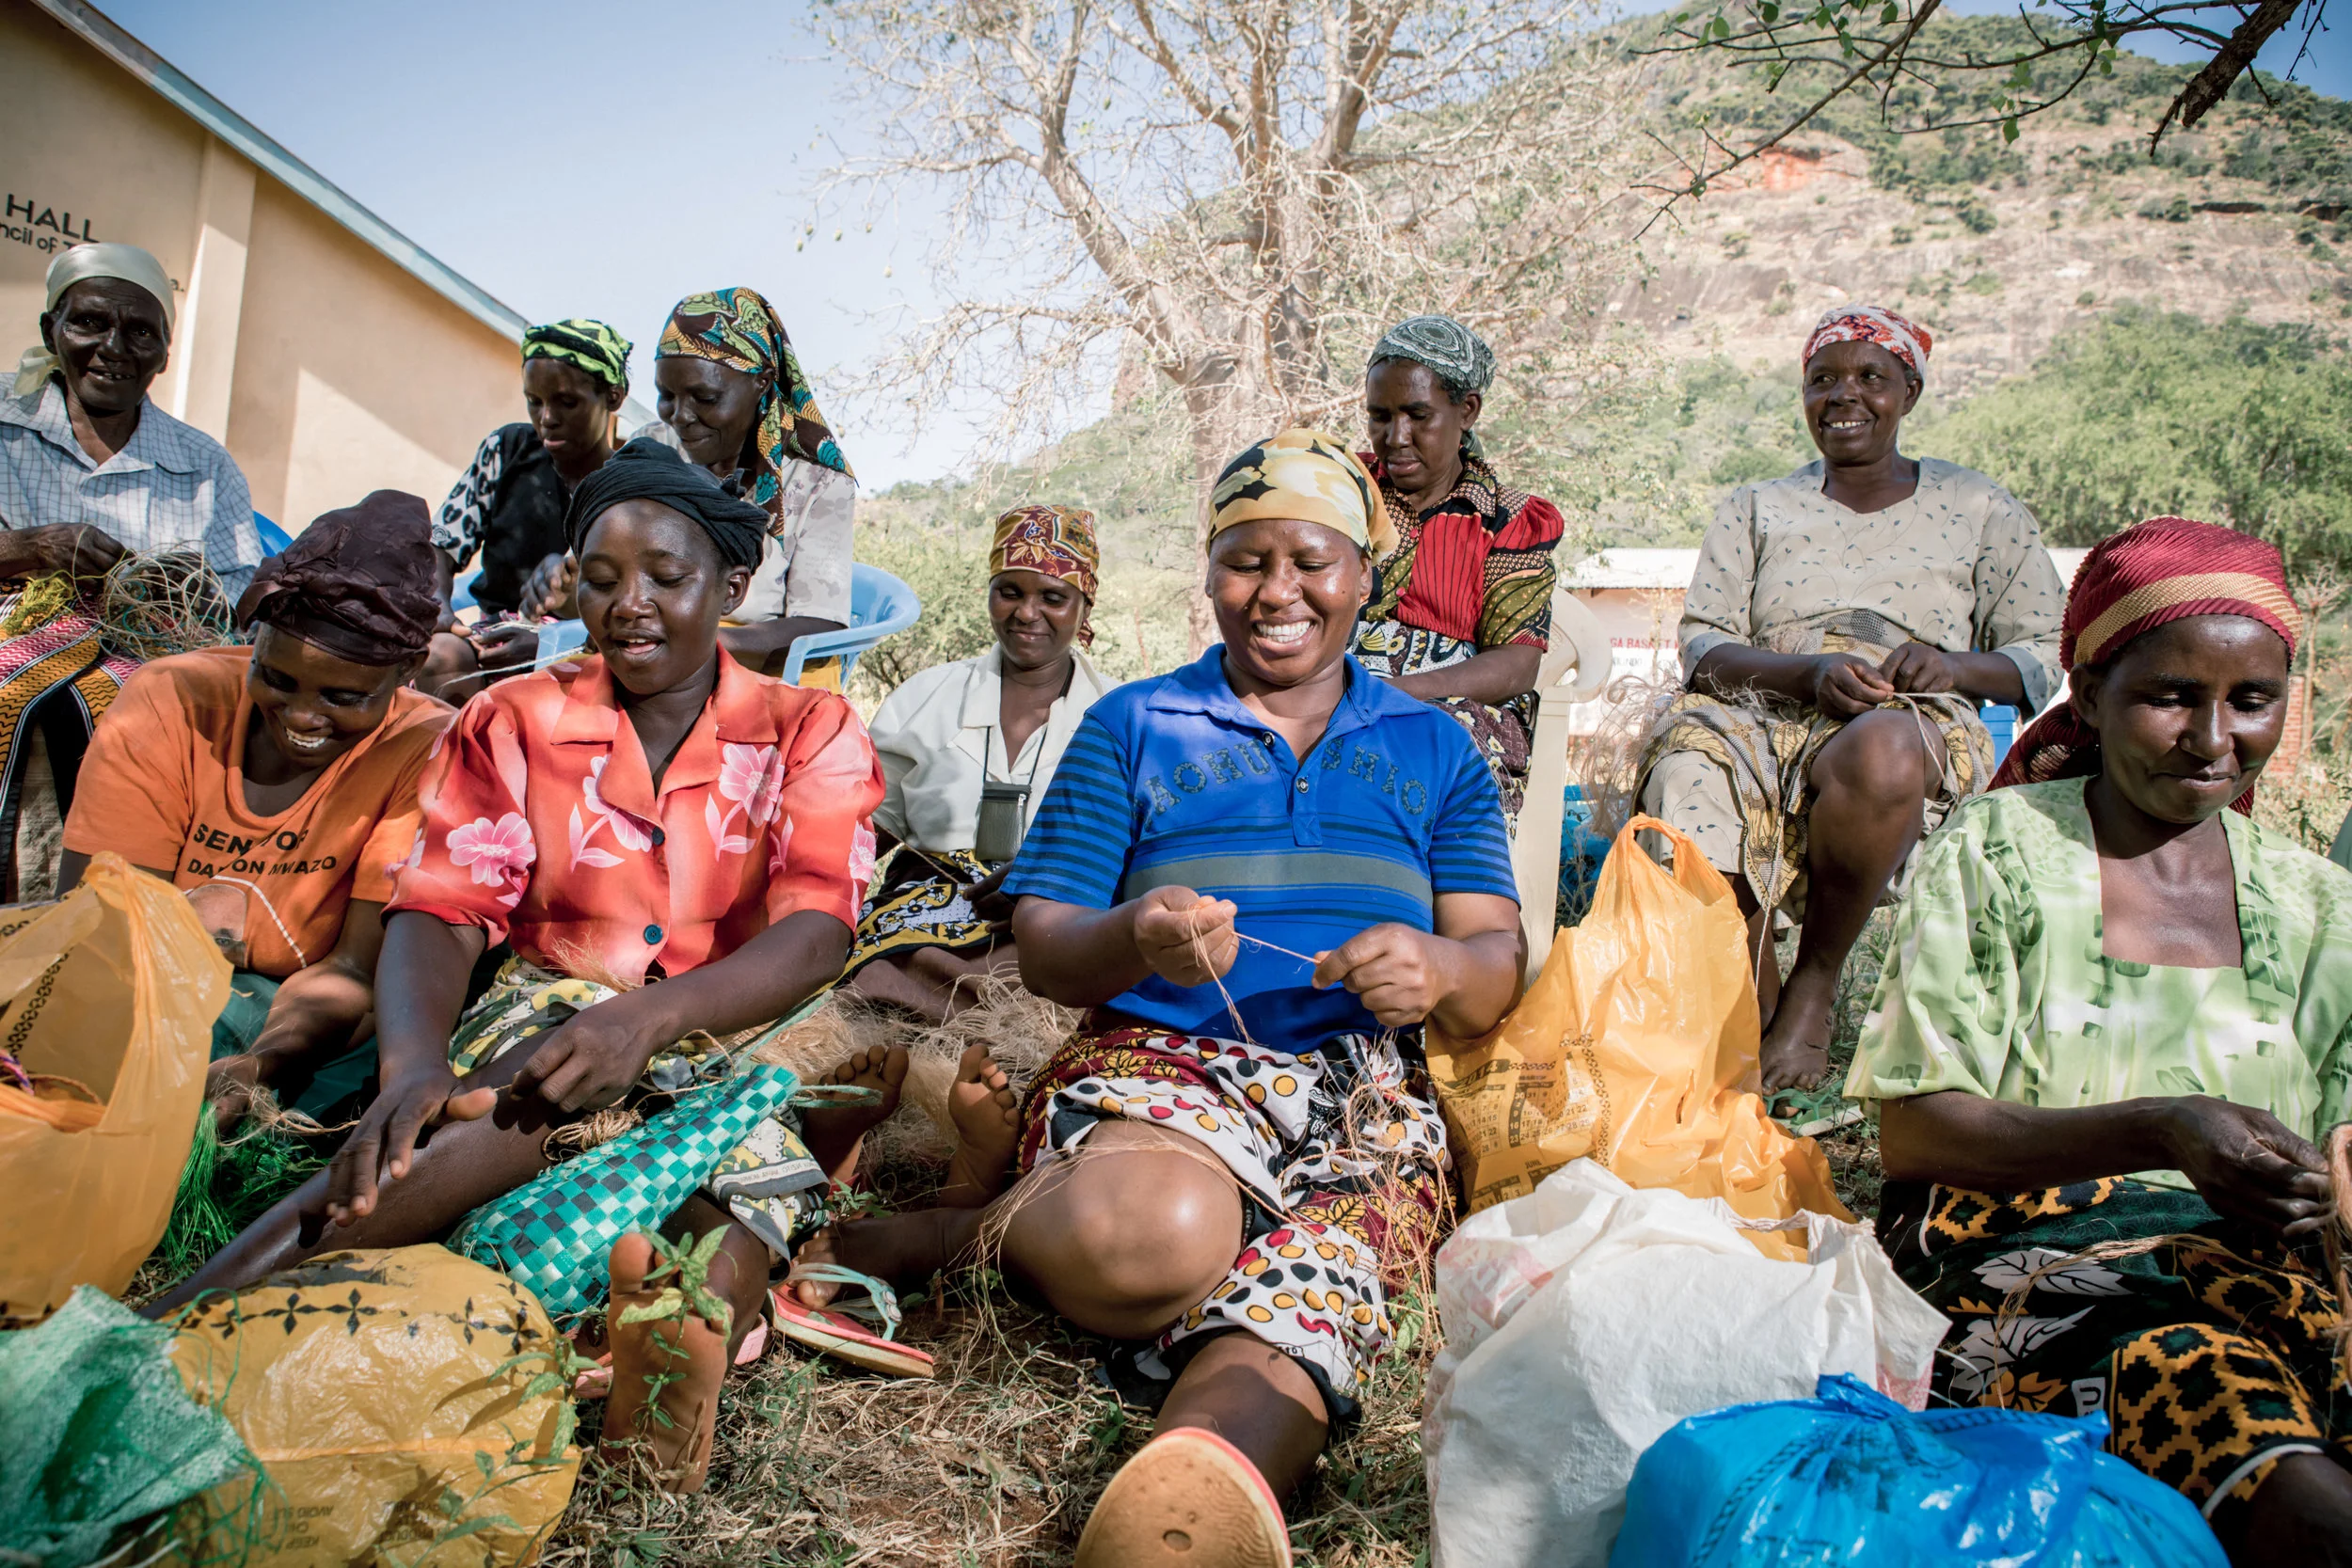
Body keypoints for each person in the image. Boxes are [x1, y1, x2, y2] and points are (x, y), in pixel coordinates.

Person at [794, 429, 1526, 1568]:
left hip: (1364, 1100)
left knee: (1314, 1286)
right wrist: (1137, 937)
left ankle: (1181, 1502)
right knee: (1158, 1239)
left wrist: (1438, 970)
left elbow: (1494, 958)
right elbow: (1044, 949)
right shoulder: (1133, 723)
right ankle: (960, 1229)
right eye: (1246, 560)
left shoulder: (1437, 746)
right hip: (1165, 1062)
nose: (1277, 591)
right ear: (1209, 574)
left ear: (1362, 576)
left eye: (1309, 559)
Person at [151, 438, 904, 1492]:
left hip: (724, 1030)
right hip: (543, 1011)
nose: (628, 604)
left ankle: (664, 1367)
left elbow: (815, 928)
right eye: (599, 579)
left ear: (733, 585)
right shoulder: (517, 717)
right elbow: (445, 905)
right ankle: (187, 1314)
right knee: (496, 1103)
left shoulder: (809, 728)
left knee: (740, 1190)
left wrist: (652, 1021)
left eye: (666, 578)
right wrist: (412, 1063)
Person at [1847, 516, 2352, 1567]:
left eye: (2250, 701)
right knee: (2202, 1384)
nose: (2214, 740)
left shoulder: (2316, 906)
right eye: (2171, 696)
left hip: (2271, 1272)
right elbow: (1916, 1130)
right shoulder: (1999, 850)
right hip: (2029, 1274)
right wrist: (2166, 1129)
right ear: (2085, 694)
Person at [1635, 306, 2065, 1091]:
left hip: (1908, 716)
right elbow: (1703, 645)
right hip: (1759, 711)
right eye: (1823, 379)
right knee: (1687, 773)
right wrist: (1804, 675)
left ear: (1909, 390)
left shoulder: (1979, 508)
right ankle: (1745, 1002)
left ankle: (1813, 989)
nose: (1845, 396)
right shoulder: (1756, 506)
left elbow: (2041, 655)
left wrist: (1952, 667)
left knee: (1885, 747)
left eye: (1871, 377)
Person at [58, 491, 453, 1126]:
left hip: (305, 1028)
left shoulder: (427, 750)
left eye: (344, 696)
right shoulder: (171, 703)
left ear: (410, 669)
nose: (301, 717)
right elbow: (101, 933)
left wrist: (262, 1065)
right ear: (255, 637)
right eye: (276, 677)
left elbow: (353, 972)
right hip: (139, 991)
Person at [0, 243, 264, 899]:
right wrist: (33, 546)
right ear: (50, 330)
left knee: (132, 710)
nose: (113, 347)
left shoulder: (202, 464)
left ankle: (90, 919)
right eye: (90, 322)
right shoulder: (4, 425)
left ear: (164, 353)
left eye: (140, 332)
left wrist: (151, 593)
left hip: (148, 665)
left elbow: (231, 601)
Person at [845, 503, 1114, 1027]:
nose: (1026, 613)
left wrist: (1046, 879)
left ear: (1085, 606)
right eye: (1009, 591)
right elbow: (862, 832)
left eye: (1053, 597)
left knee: (1045, 992)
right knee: (873, 984)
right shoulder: (927, 697)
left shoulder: (1118, 716)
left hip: (1050, 922)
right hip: (917, 922)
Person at [1354, 314, 1566, 818]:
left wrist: (1392, 695)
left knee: (1419, 753)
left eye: (1417, 415)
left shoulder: (1508, 520)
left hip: (1453, 706)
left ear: (1467, 410)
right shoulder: (1345, 489)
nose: (1396, 437)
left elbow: (1517, 662)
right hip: (1330, 686)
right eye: (1380, 416)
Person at [645, 287, 855, 680]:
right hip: (645, 650)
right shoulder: (654, 449)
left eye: (704, 397)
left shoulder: (816, 482)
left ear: (761, 384)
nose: (681, 416)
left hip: (753, 667)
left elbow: (821, 623)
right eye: (665, 396)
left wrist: (700, 645)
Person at [419, 319, 633, 696]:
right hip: (491, 644)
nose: (547, 419)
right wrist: (438, 603)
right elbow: (442, 542)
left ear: (613, 397)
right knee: (439, 659)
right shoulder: (506, 450)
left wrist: (549, 646)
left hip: (584, 651)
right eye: (534, 402)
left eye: (567, 403)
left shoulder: (632, 483)